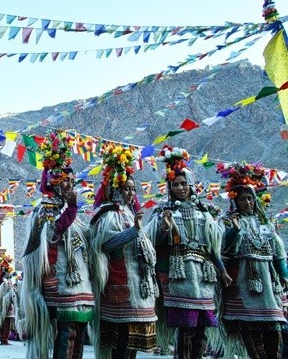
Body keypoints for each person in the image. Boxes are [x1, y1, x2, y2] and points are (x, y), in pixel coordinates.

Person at [145, 145, 231, 359]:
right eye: (176, 185)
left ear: (191, 186)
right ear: (170, 188)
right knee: (186, 329)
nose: (180, 188)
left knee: (201, 331)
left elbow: (212, 249)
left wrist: (222, 271)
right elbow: (153, 243)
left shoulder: (206, 215)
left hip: (203, 278)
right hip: (179, 278)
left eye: (184, 184)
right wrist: (165, 228)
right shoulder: (163, 213)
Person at [20, 129, 94, 358]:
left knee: (78, 335)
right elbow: (52, 233)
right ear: (54, 183)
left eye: (73, 182)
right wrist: (71, 209)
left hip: (79, 285)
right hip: (60, 284)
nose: (71, 186)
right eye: (66, 181)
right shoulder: (46, 209)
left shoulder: (72, 213)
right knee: (67, 334)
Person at [90, 144, 158, 359]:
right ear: (114, 190)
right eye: (126, 188)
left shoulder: (129, 213)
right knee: (121, 339)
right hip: (120, 285)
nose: (130, 193)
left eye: (132, 189)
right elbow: (106, 244)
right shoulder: (108, 214)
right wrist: (134, 231)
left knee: (132, 341)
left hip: (138, 285)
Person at [217, 162, 287, 358]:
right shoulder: (227, 222)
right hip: (245, 286)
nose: (247, 203)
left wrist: (284, 275)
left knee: (275, 338)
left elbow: (278, 253)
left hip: (268, 288)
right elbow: (225, 251)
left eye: (250, 199)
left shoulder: (266, 224)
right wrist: (235, 231)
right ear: (235, 201)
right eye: (242, 199)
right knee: (254, 341)